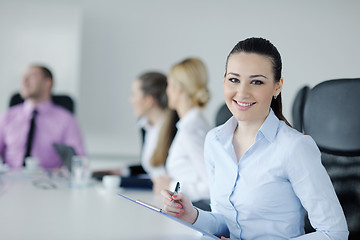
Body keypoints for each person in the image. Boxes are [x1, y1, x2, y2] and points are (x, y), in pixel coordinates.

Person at [161, 38, 349, 239]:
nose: (242, 92)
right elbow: (226, 222)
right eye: (234, 79)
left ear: (277, 87)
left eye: (256, 82)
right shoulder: (214, 141)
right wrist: (193, 215)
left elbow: (334, 233)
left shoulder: (294, 147)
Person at [92, 72, 178, 187]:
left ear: (148, 100)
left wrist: (120, 181)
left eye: (134, 94)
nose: (131, 100)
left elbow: (163, 175)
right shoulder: (145, 126)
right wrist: (123, 171)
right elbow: (151, 167)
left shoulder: (176, 128)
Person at [0, 64, 85, 170]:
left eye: (32, 76)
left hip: (48, 182)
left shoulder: (66, 120)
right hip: (10, 180)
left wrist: (62, 172)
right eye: (24, 77)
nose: (24, 81)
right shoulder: (7, 117)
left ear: (48, 83)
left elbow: (78, 161)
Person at [152, 57, 211, 206]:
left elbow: (211, 186)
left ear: (179, 89)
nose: (167, 91)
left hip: (194, 211)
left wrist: (171, 186)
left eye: (169, 85)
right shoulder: (190, 124)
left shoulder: (191, 130)